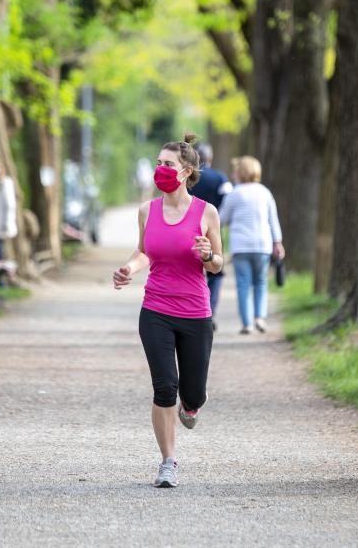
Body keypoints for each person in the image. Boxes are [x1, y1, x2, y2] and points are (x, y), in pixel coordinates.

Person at [112, 133, 224, 488]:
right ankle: (168, 462)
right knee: (164, 388)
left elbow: (218, 264)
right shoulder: (148, 210)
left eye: (167, 165)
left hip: (195, 313)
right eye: (158, 163)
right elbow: (144, 251)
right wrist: (129, 268)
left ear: (186, 171)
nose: (160, 170)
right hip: (156, 309)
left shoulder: (207, 212)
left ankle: (191, 407)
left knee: (194, 393)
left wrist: (207, 255)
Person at [219, 156, 285, 334]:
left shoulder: (235, 193)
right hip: (262, 245)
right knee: (261, 283)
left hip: (241, 246)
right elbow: (273, 220)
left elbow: (222, 218)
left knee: (243, 284)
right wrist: (277, 242)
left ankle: (247, 323)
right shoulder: (265, 192)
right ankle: (260, 318)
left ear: (240, 172)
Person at [188, 143, 233, 330]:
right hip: (214, 227)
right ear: (210, 158)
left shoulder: (188, 178)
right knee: (215, 270)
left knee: (191, 270)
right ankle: (209, 310)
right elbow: (228, 198)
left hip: (188, 228)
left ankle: (192, 310)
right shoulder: (220, 178)